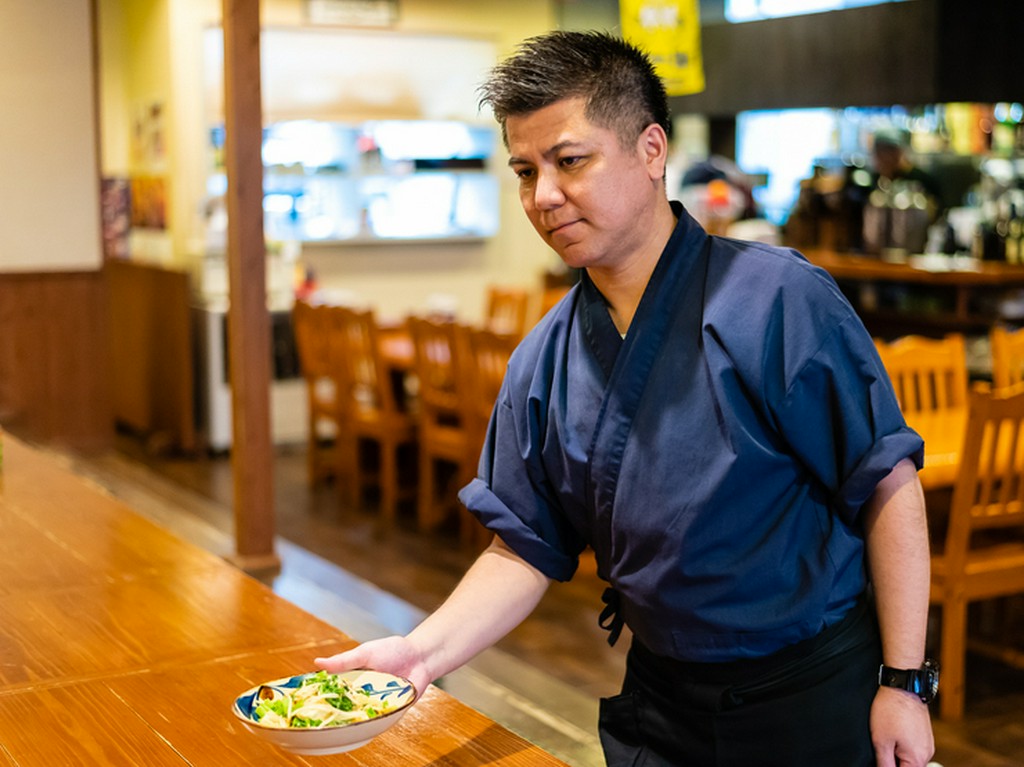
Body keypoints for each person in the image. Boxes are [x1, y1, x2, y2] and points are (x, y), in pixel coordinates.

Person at [316, 30, 936, 767]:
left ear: (651, 150)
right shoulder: (543, 358)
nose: (544, 196)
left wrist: (904, 681)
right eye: (525, 171)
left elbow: (886, 482)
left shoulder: (778, 299)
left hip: (811, 692)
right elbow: (523, 546)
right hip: (662, 700)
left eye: (570, 160)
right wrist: (420, 653)